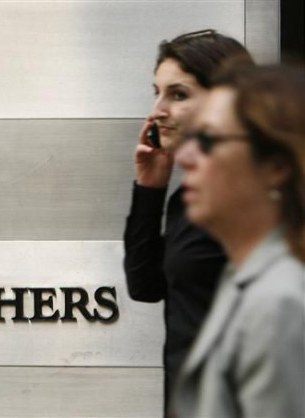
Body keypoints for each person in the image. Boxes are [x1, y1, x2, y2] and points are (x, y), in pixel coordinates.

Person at [123, 30, 253, 412]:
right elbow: (146, 286)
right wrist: (150, 188)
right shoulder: (190, 199)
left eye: (178, 95)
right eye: (157, 92)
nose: (157, 110)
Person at [172, 64, 305, 417]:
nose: (184, 158)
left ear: (276, 166)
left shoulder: (280, 302)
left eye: (207, 141)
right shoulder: (244, 276)